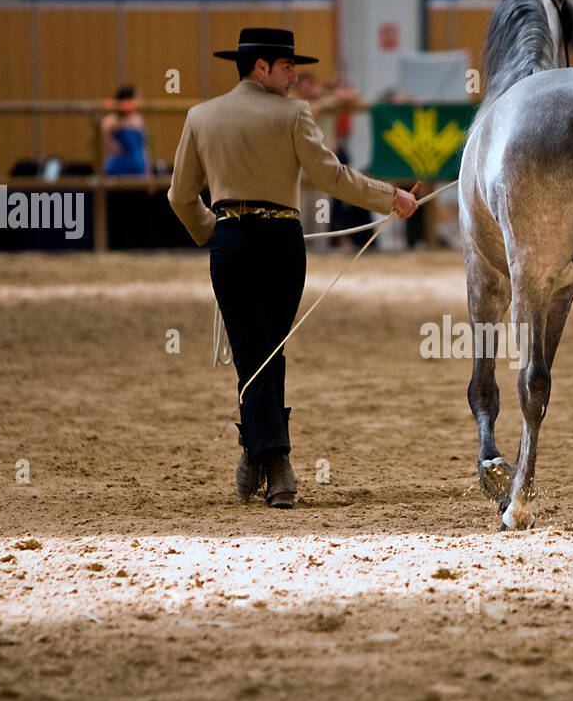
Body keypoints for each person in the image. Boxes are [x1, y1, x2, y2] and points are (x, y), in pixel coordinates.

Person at [168, 27, 419, 507]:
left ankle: (258, 457)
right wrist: (392, 197)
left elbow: (180, 196)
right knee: (269, 350)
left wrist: (209, 230)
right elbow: (332, 176)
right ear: (260, 67)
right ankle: (275, 461)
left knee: (253, 352)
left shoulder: (200, 116)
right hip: (282, 243)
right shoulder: (294, 115)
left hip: (232, 244)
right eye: (288, 68)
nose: (295, 78)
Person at [102, 85, 149, 176]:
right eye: (135, 99)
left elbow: (144, 148)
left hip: (138, 171)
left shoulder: (138, 119)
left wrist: (148, 172)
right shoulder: (112, 120)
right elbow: (105, 142)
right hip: (118, 170)